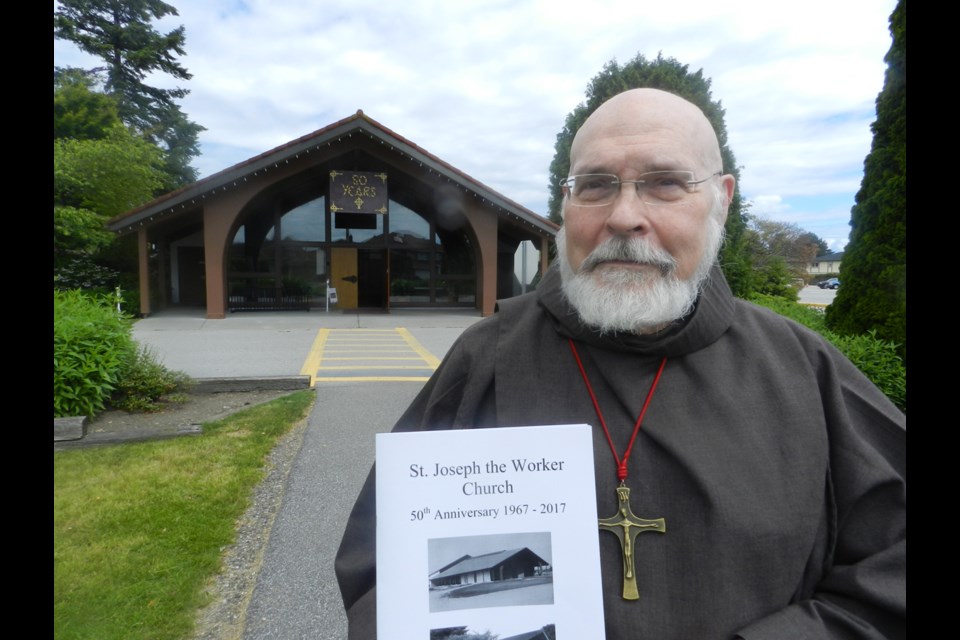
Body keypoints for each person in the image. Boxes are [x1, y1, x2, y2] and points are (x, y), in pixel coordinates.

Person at [335, 88, 906, 639]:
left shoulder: (804, 369)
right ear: (564, 205)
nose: (624, 216)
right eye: (595, 185)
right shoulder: (484, 357)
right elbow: (381, 563)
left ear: (722, 199)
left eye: (665, 184)